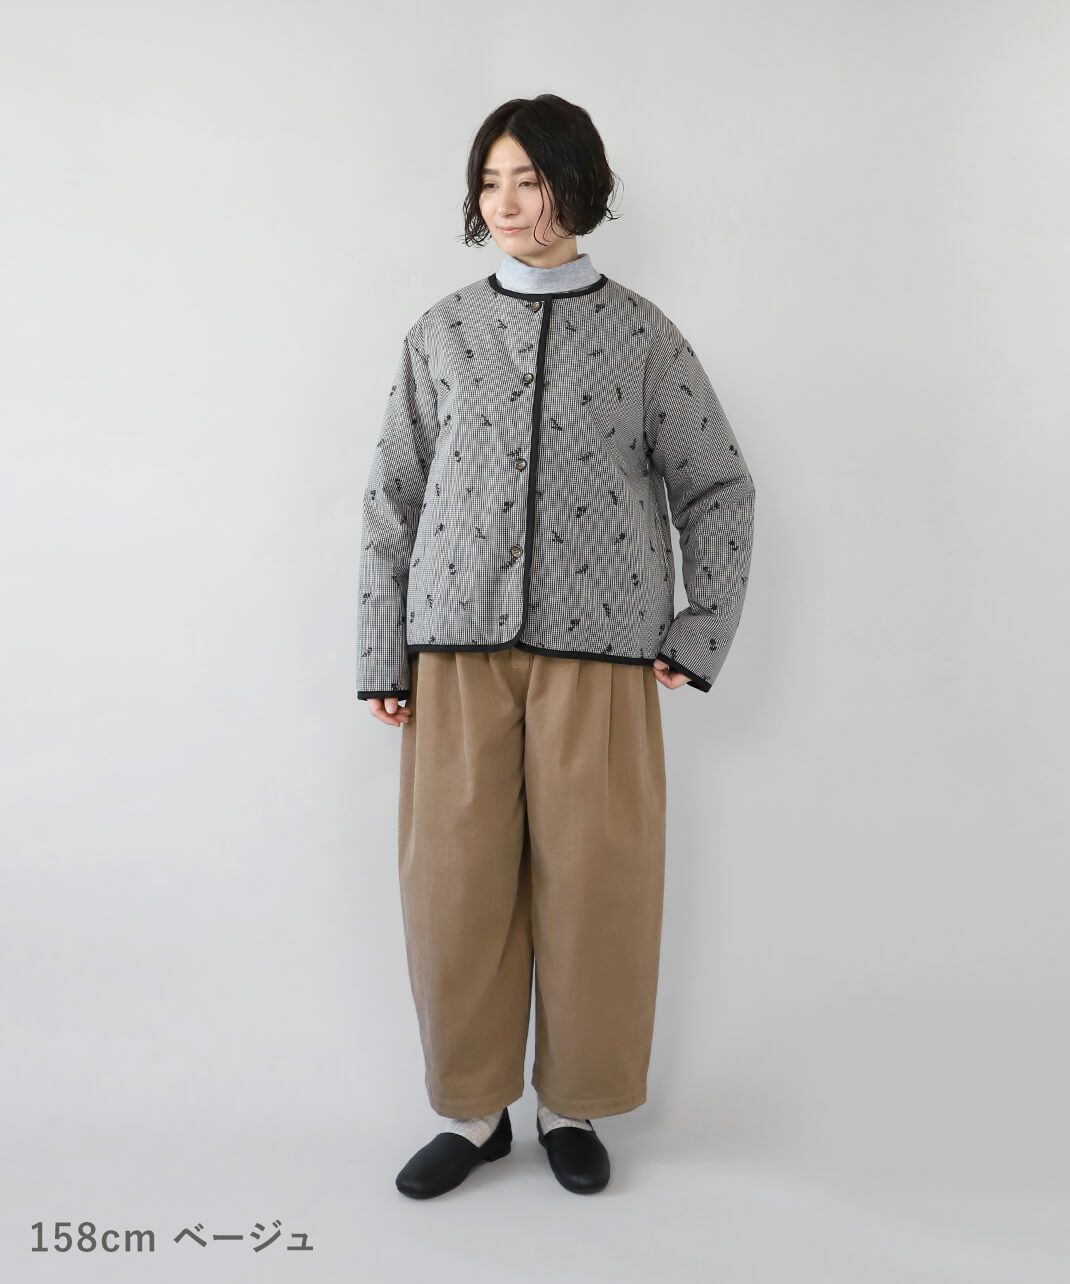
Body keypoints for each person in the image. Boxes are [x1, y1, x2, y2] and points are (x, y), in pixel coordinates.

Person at [356, 93, 757, 1198]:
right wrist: (382, 651)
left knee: (596, 884)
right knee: (454, 886)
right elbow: (392, 497)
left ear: (577, 185)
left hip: (603, 653)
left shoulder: (643, 336)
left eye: (526, 180)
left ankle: (572, 1104)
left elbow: (717, 486)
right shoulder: (440, 332)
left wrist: (699, 631)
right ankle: (475, 1112)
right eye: (489, 182)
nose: (504, 202)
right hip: (452, 651)